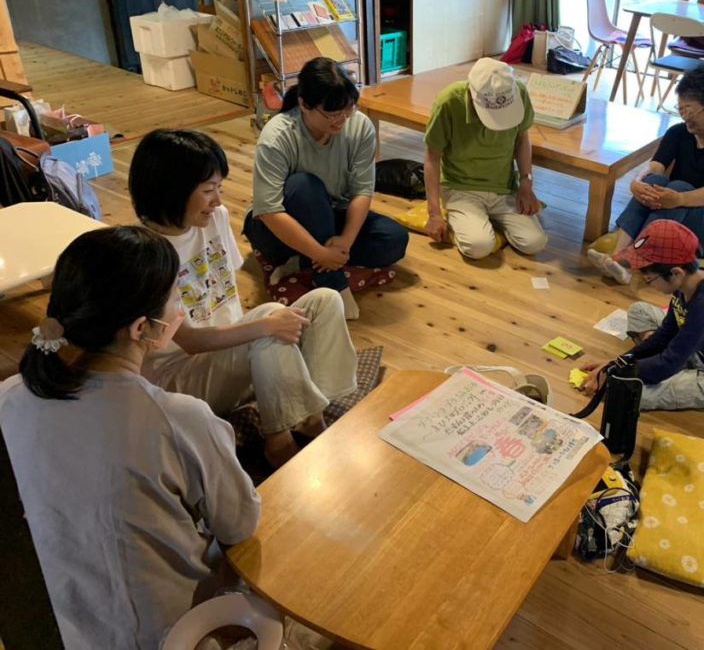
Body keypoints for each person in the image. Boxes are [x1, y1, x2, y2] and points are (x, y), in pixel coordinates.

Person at [0, 226, 261, 648]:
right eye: (175, 298)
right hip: (174, 631)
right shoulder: (179, 419)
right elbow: (240, 523)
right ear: (143, 328)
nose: (180, 308)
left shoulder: (9, 398)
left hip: (65, 624)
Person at [130, 128, 358, 467]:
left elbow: (229, 295)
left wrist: (261, 329)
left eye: (219, 189)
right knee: (267, 323)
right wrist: (263, 327)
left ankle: (312, 416)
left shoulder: (215, 219)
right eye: (208, 190)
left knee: (325, 300)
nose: (218, 201)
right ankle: (279, 441)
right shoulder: (145, 253)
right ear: (172, 191)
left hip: (230, 358)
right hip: (181, 379)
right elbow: (190, 341)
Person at [243, 57, 409, 318]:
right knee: (304, 186)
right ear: (303, 104)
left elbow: (362, 190)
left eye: (348, 109)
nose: (341, 120)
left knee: (394, 239)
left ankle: (303, 261)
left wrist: (345, 241)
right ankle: (333, 284)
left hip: (329, 216)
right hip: (275, 227)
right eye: (331, 114)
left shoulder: (359, 126)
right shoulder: (278, 136)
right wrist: (321, 253)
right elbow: (269, 211)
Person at [588, 64, 704, 283]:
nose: (685, 116)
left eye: (691, 111)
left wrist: (679, 198)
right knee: (654, 181)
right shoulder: (678, 132)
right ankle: (619, 256)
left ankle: (630, 260)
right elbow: (655, 167)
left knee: (679, 187)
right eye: (681, 109)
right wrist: (636, 182)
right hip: (677, 217)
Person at [582, 220, 704, 411]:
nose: (647, 283)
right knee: (638, 310)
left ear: (676, 273)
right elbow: (666, 333)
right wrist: (618, 363)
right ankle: (657, 363)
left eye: (648, 278)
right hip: (694, 348)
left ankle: (660, 366)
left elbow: (670, 362)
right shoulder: (688, 283)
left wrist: (615, 372)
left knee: (623, 394)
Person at [423, 57, 547, 259]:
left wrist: (526, 183)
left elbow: (523, 138)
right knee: (479, 247)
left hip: (504, 187)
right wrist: (434, 213)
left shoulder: (519, 93)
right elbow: (432, 157)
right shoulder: (449, 101)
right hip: (460, 187)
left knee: (535, 242)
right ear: (472, 95)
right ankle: (467, 220)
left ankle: (484, 221)